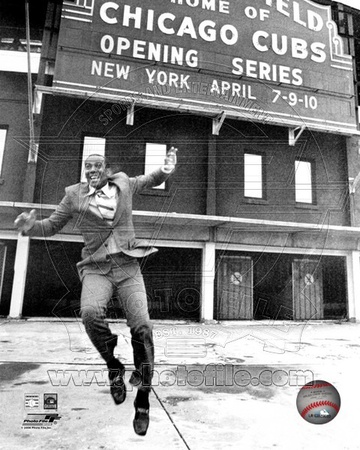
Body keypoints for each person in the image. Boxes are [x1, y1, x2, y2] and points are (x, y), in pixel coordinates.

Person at [14, 151, 176, 436]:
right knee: (89, 313)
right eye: (87, 166)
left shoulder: (124, 182)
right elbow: (51, 225)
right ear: (83, 170)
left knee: (143, 326)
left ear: (106, 169)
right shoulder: (73, 196)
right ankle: (114, 366)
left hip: (127, 265)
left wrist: (164, 169)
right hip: (96, 267)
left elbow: (150, 179)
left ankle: (143, 398)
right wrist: (30, 227)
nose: (92, 169)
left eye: (97, 165)